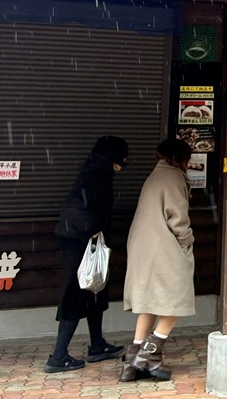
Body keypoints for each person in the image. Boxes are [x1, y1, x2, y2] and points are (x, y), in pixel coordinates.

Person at [46, 135, 129, 373]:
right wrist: (92, 229)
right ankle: (58, 356)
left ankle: (98, 345)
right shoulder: (96, 175)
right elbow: (82, 207)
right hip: (81, 242)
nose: (124, 162)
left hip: (83, 240)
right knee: (77, 293)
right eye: (123, 157)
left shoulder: (95, 170)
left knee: (95, 291)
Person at [119, 138, 195, 382]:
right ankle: (147, 356)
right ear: (183, 158)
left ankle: (132, 363)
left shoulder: (155, 176)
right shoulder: (173, 177)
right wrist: (187, 241)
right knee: (177, 299)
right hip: (164, 246)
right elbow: (178, 217)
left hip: (143, 244)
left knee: (150, 303)